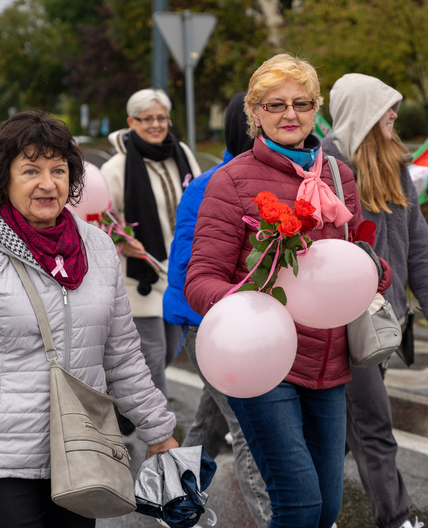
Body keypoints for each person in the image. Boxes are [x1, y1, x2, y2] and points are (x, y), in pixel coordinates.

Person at [0, 111, 178, 527]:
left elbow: (123, 357)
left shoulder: (99, 249)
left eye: (58, 170)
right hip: (2, 456)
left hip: (84, 447)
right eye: (31, 170)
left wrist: (159, 431)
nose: (48, 184)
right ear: (4, 179)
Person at [185, 53, 391, 528]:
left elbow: (363, 262)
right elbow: (200, 282)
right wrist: (248, 308)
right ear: (254, 114)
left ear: (317, 108)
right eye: (275, 105)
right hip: (264, 365)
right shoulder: (230, 181)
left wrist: (372, 271)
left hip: (331, 364)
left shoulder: (340, 176)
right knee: (299, 507)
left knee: (327, 512)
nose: (289, 114)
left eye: (302, 103)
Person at [322, 73, 428, 528]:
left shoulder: (396, 165)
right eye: (385, 107)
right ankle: (395, 519)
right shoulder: (326, 167)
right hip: (344, 322)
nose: (394, 115)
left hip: (386, 320)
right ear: (362, 114)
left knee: (339, 432)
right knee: (375, 425)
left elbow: (418, 243)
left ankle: (310, 508)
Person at [164, 91, 272, 528]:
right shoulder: (214, 183)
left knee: (209, 424)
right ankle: (277, 519)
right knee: (250, 430)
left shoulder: (280, 177)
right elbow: (193, 266)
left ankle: (171, 501)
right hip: (211, 324)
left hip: (251, 326)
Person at [101, 89, 202, 403]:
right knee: (153, 360)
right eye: (147, 119)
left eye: (161, 118)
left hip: (178, 273)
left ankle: (122, 403)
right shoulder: (116, 167)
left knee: (170, 353)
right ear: (132, 122)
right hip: (139, 276)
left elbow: (202, 196)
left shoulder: (181, 153)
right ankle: (158, 438)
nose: (156, 125)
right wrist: (120, 239)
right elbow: (98, 218)